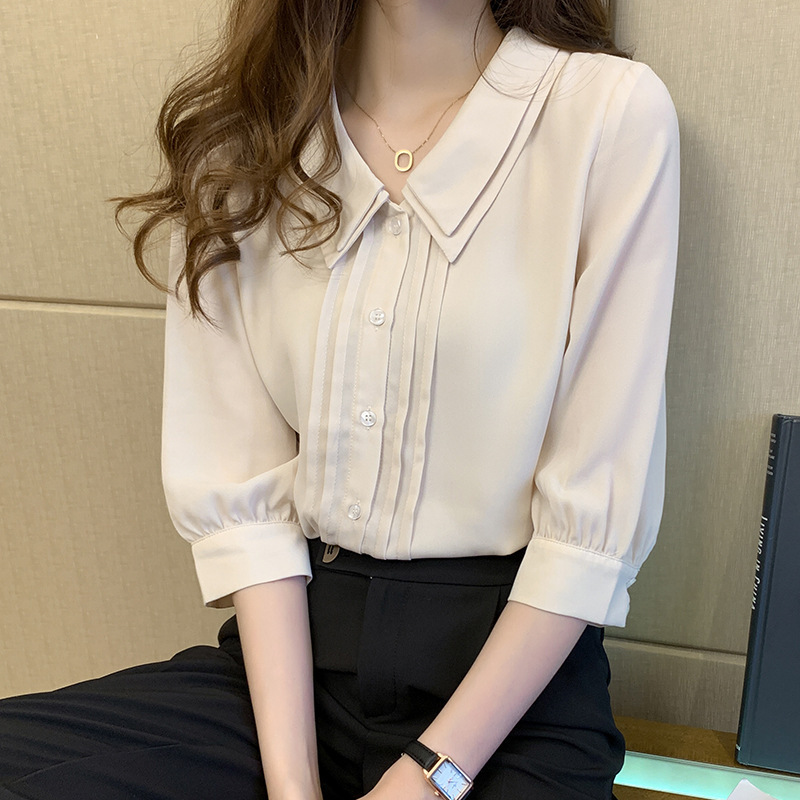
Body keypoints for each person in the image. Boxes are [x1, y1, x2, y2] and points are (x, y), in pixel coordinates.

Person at [0, 0, 680, 798]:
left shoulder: (607, 116)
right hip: (291, 672)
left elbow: (589, 531)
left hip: (509, 697)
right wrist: (292, 785)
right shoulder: (241, 141)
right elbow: (248, 510)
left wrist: (428, 778)